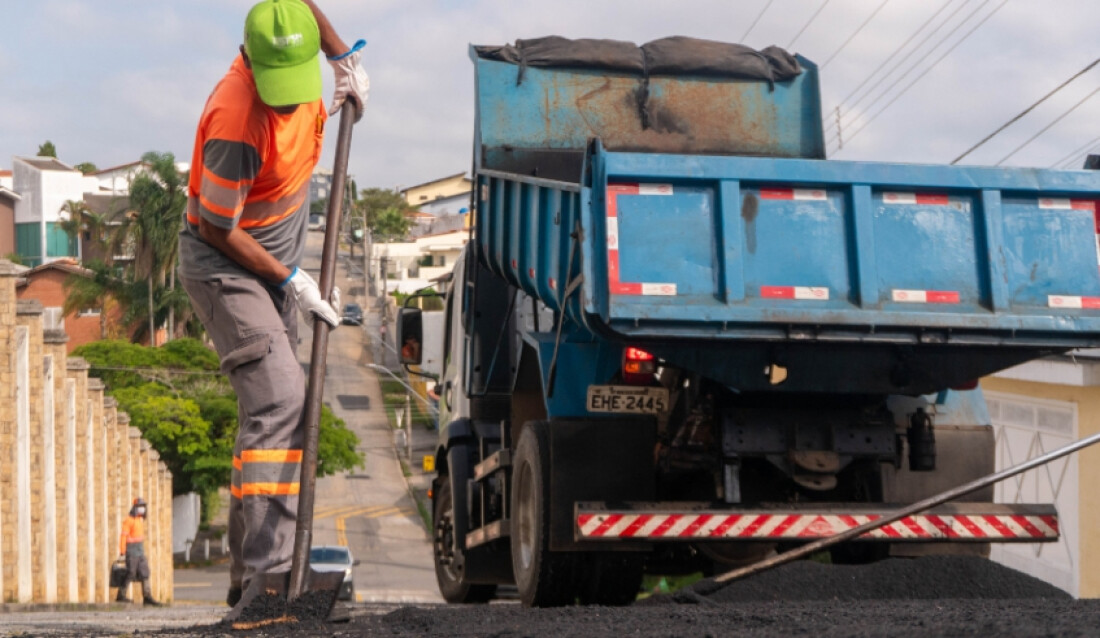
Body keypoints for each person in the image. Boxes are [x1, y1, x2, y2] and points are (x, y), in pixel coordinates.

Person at [177, 0, 369, 608]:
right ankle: (274, 572)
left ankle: (246, 579)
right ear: (251, 63)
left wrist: (343, 59)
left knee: (268, 419)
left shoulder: (303, 73)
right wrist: (292, 279)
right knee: (285, 399)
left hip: (274, 273)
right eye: (276, 90)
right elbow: (215, 227)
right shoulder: (237, 118)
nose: (289, 102)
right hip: (225, 268)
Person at [116, 498, 162, 606]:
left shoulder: (139, 520)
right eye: (140, 506)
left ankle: (147, 596)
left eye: (143, 506)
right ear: (135, 508)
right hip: (131, 551)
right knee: (130, 573)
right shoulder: (129, 520)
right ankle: (121, 595)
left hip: (140, 550)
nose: (142, 509)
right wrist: (122, 551)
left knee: (144, 572)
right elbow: (123, 536)